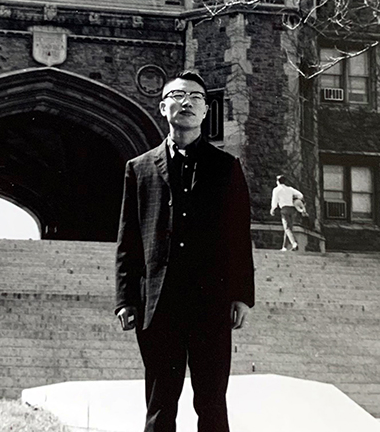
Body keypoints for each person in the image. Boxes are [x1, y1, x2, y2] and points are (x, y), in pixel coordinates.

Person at [115, 70, 255, 432]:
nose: (187, 102)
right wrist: (125, 299)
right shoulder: (139, 168)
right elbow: (128, 238)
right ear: (164, 107)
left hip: (210, 301)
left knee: (211, 402)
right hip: (158, 302)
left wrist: (240, 295)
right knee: (160, 404)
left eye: (195, 97)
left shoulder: (227, 167)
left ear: (206, 111)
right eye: (177, 95)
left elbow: (239, 234)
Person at [271, 174, 303, 251]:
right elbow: (300, 195)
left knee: (287, 228)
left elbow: (274, 200)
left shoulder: (276, 189)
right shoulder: (290, 189)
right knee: (289, 228)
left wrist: (273, 208)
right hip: (292, 209)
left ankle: (294, 243)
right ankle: (284, 247)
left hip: (284, 209)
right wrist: (294, 199)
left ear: (277, 181)